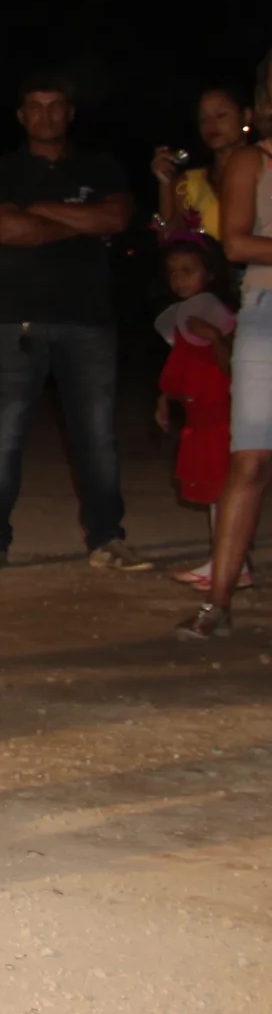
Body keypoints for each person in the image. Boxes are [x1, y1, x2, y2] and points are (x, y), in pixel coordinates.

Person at [0, 75, 147, 571]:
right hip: (16, 322)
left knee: (97, 437)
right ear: (22, 115)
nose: (46, 116)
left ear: (70, 113)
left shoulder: (102, 167)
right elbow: (8, 228)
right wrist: (76, 218)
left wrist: (42, 213)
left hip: (89, 319)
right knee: (4, 437)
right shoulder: (0, 170)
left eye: (56, 106)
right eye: (36, 107)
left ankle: (107, 538)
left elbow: (115, 220)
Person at [181, 54, 272, 638]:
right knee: (250, 461)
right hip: (267, 314)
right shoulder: (250, 159)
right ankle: (219, 601)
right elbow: (236, 244)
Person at [153, 235, 239, 588]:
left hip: (220, 415)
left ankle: (229, 565)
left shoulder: (215, 313)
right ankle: (227, 562)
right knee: (215, 493)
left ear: (210, 273)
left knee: (223, 491)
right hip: (199, 417)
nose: (179, 280)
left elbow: (230, 366)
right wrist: (165, 398)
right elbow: (182, 364)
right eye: (173, 273)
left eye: (188, 271)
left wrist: (216, 337)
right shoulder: (185, 314)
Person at [150, 85, 251, 242]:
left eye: (221, 115)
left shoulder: (266, 169)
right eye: (204, 119)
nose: (211, 124)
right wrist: (165, 183)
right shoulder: (190, 184)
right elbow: (170, 242)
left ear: (246, 116)